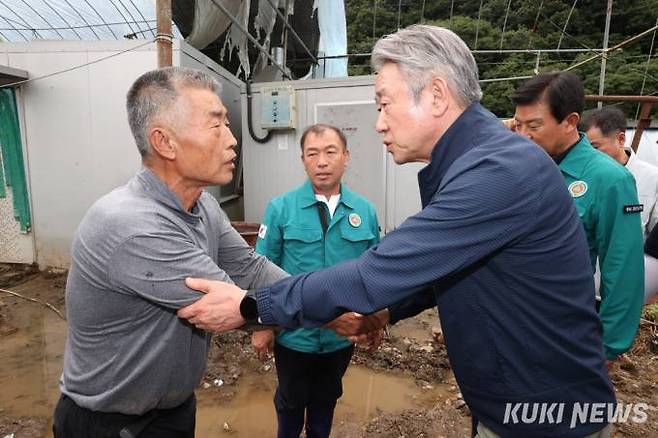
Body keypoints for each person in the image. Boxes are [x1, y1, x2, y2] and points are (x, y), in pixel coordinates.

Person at [179, 25, 616, 438]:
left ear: (437, 95)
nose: (379, 122)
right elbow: (442, 268)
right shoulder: (478, 162)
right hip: (516, 402)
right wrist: (387, 313)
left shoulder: (497, 171)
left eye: (384, 103)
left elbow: (372, 273)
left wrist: (253, 307)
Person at [52, 67, 287, 438]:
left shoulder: (203, 206)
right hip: (113, 424)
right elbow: (233, 303)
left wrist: (329, 297)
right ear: (164, 142)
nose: (232, 140)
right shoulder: (132, 225)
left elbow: (251, 269)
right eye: (216, 125)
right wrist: (336, 311)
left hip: (172, 409)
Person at [251, 123, 380, 438]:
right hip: (294, 334)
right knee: (291, 402)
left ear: (346, 157)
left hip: (340, 337)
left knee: (326, 400)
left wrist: (376, 319)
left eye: (330, 152)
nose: (322, 161)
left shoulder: (364, 211)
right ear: (303, 160)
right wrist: (263, 326)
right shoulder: (281, 208)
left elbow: (375, 272)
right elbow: (261, 268)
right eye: (313, 153)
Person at [511, 72, 644, 362]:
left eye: (534, 125)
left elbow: (623, 270)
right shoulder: (519, 164)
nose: (523, 135)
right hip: (512, 324)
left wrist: (607, 346)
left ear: (570, 121)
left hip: (562, 331)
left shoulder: (609, 179)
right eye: (518, 125)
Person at [581, 106, 658, 240]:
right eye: (583, 149)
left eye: (594, 147)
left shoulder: (652, 178)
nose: (588, 155)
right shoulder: (579, 177)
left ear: (621, 139)